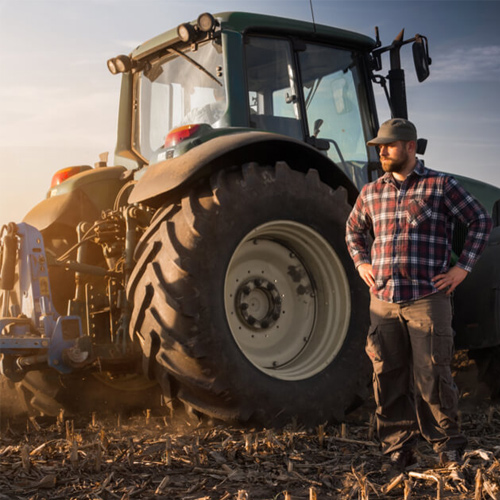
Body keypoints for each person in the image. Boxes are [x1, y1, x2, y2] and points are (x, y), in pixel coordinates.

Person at [345, 118, 492, 470]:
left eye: (389, 145)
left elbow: (480, 220)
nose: (382, 150)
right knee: (389, 374)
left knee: (433, 373)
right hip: (383, 300)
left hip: (427, 297)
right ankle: (398, 447)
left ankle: (447, 446)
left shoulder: (440, 185)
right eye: (379, 146)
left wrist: (462, 268)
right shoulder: (370, 192)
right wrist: (361, 263)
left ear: (410, 147)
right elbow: (353, 231)